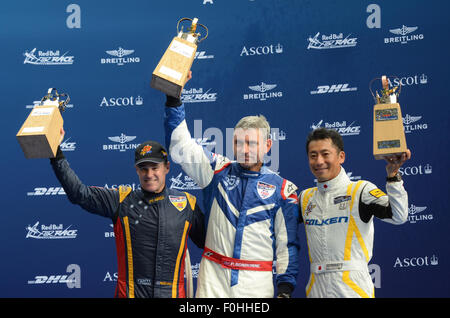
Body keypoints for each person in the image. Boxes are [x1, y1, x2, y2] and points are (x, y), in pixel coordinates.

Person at [162, 75, 300, 298]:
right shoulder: (216, 170)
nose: (244, 149)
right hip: (213, 282)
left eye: (251, 143)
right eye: (238, 142)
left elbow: (287, 244)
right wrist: (174, 100)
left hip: (256, 285)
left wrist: (285, 288)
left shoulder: (283, 190)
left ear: (267, 145)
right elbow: (181, 147)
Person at [49, 128, 205, 298]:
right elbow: (80, 194)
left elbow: (211, 244)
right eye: (143, 168)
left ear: (167, 167)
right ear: (136, 170)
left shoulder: (186, 203)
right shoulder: (122, 200)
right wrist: (56, 153)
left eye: (155, 167)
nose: (149, 174)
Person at [299, 127, 410, 298]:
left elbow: (398, 215)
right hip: (316, 287)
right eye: (313, 156)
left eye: (325, 154)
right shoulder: (305, 198)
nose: (319, 161)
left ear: (341, 156)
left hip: (352, 288)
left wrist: (393, 176)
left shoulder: (360, 190)